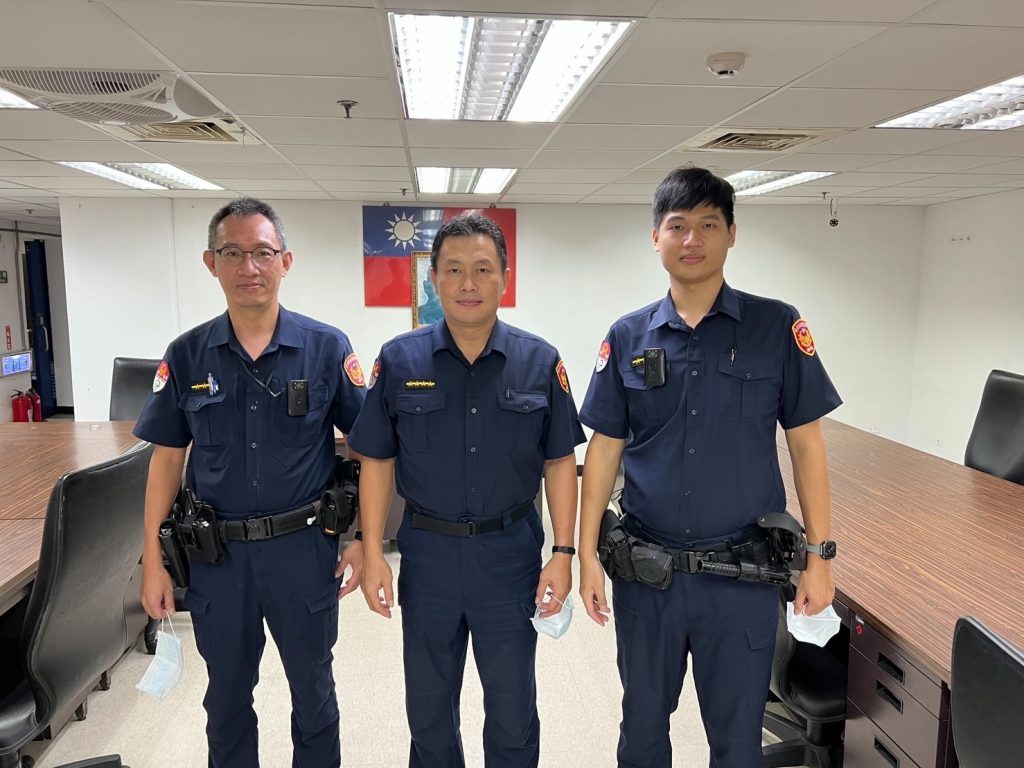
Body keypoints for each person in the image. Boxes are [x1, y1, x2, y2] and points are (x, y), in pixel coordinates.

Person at [577, 167, 842, 767]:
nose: (692, 239)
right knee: (642, 732)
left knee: (738, 741)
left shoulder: (776, 326)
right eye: (677, 226)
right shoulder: (627, 336)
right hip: (648, 576)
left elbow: (807, 446)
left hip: (741, 579)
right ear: (656, 237)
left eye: (708, 225)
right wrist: (586, 553)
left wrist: (820, 558)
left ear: (731, 235)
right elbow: (604, 449)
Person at [135, 198, 367, 768]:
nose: (249, 267)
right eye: (232, 253)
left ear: (285, 260)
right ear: (210, 262)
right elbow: (166, 462)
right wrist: (153, 560)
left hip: (304, 551)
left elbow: (366, 446)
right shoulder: (187, 355)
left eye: (263, 253)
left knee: (314, 694)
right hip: (218, 560)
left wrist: (363, 536)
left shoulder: (326, 348)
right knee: (226, 701)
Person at [347, 212, 585, 768]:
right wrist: (373, 550)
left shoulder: (539, 360)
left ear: (505, 277)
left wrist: (563, 553)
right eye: (453, 270)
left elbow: (559, 461)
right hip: (427, 557)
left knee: (512, 709)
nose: (468, 283)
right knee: (429, 710)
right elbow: (376, 461)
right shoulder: (399, 360)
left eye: (483, 268)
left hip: (510, 558)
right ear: (433, 278)